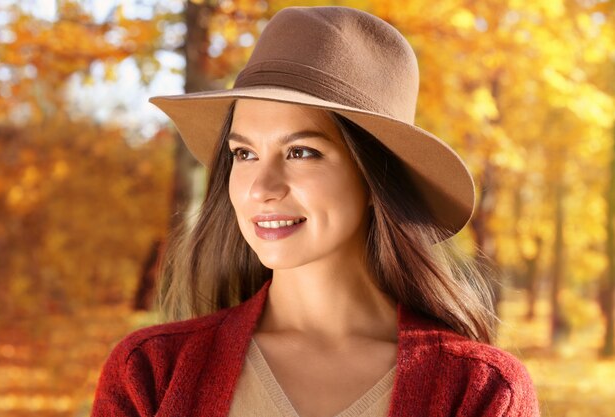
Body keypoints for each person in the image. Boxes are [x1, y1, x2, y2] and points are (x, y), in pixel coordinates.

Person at [91, 6, 540, 417]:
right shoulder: (152, 373)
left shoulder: (481, 390)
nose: (262, 189)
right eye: (244, 154)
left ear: (373, 178)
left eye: (301, 152)